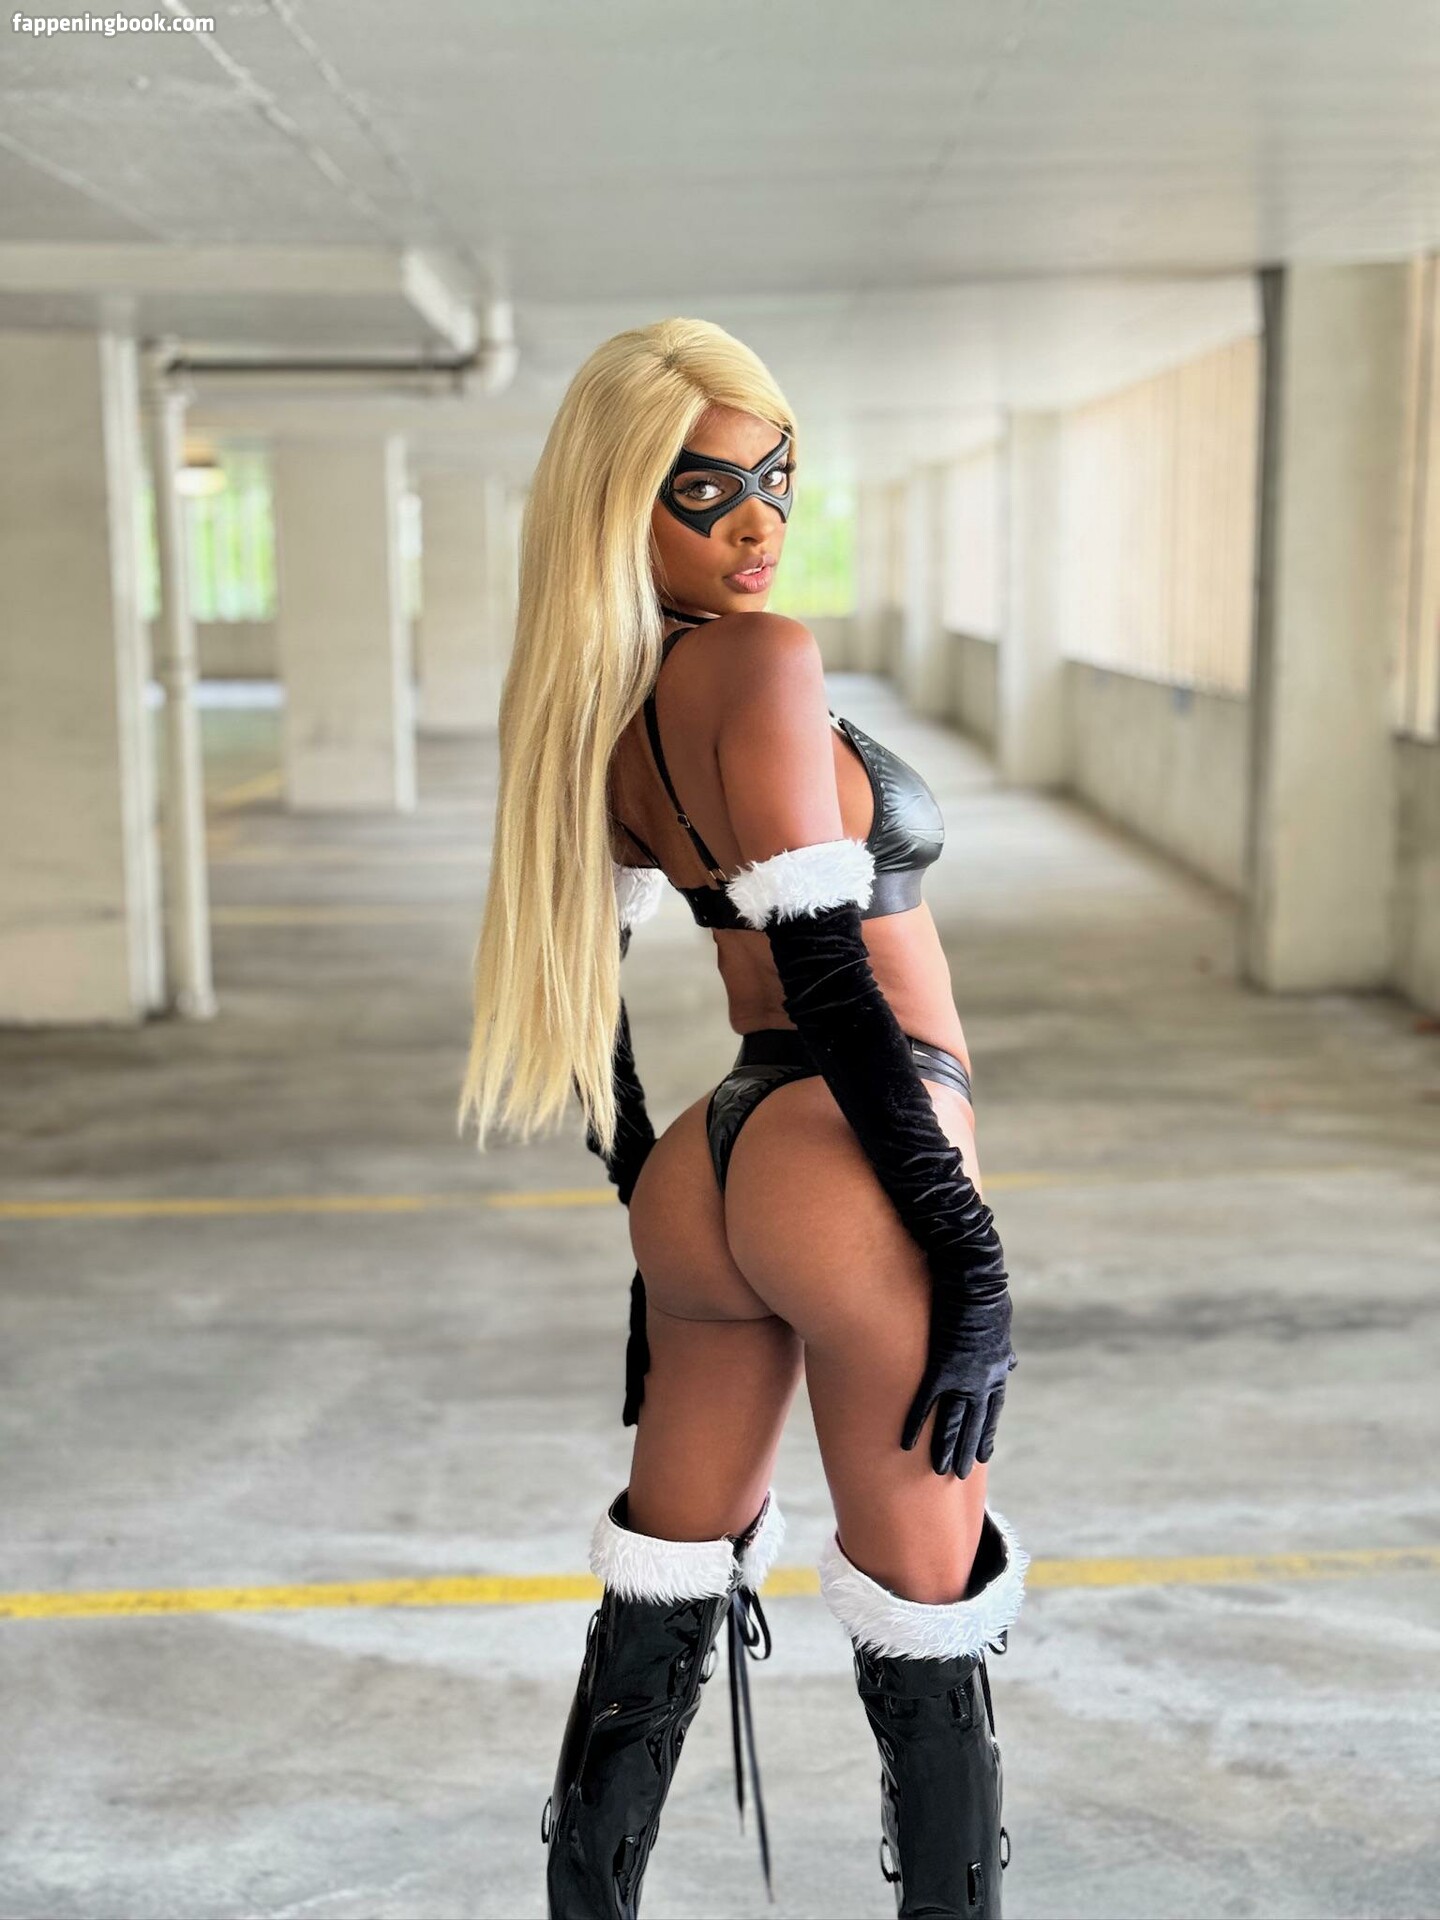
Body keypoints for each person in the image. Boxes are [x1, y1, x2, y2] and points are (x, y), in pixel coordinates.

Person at [458, 317, 1027, 1920]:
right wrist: (966, 1251)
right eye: (702, 493)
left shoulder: (605, 703)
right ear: (616, 502)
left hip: (713, 1170)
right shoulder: (760, 663)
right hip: (851, 1145)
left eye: (773, 479)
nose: (756, 525)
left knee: (657, 1600)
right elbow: (831, 970)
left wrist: (658, 1216)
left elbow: (584, 1003)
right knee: (928, 1620)